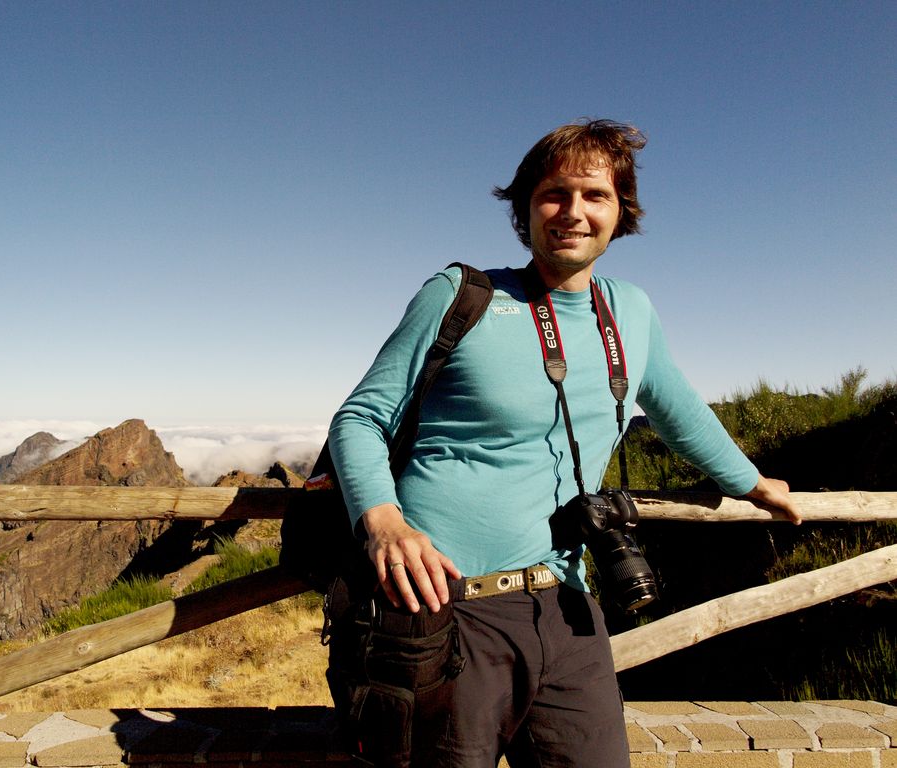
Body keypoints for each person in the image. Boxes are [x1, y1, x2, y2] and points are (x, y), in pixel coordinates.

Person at [327, 119, 801, 767]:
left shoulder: (629, 310)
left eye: (594, 195)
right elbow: (361, 417)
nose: (572, 212)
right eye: (553, 194)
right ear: (525, 209)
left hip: (569, 605)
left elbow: (677, 409)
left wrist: (749, 482)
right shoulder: (461, 297)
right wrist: (382, 522)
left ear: (619, 212)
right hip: (445, 605)